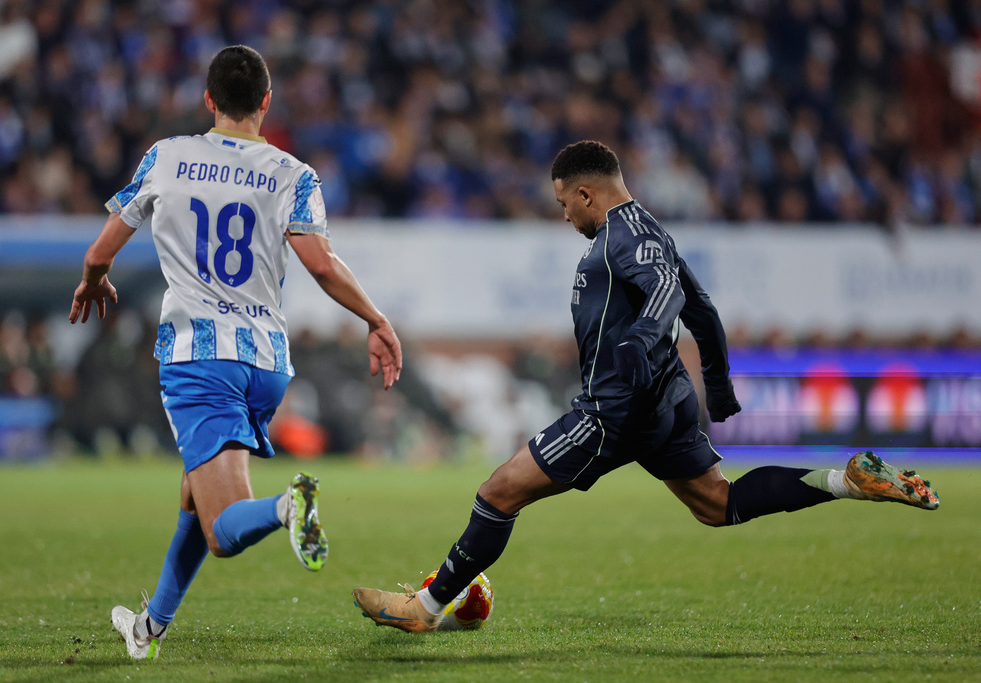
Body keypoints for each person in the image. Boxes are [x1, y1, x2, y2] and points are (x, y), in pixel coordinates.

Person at [352, 140, 938, 633]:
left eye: (564, 203)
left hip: (615, 409)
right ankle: (845, 480)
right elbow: (700, 306)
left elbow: (665, 291)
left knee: (498, 492)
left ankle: (424, 609)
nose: (564, 216)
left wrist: (639, 339)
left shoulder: (619, 236)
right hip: (666, 399)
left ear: (586, 193)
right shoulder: (648, 225)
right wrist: (717, 378)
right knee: (719, 503)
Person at [69, 45, 402, 659]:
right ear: (266, 103)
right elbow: (322, 266)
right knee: (195, 495)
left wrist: (93, 281)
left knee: (223, 531)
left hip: (200, 357)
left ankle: (285, 505)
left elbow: (98, 253)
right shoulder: (293, 173)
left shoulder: (167, 157)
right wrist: (376, 319)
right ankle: (149, 628)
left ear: (208, 99)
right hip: (267, 363)